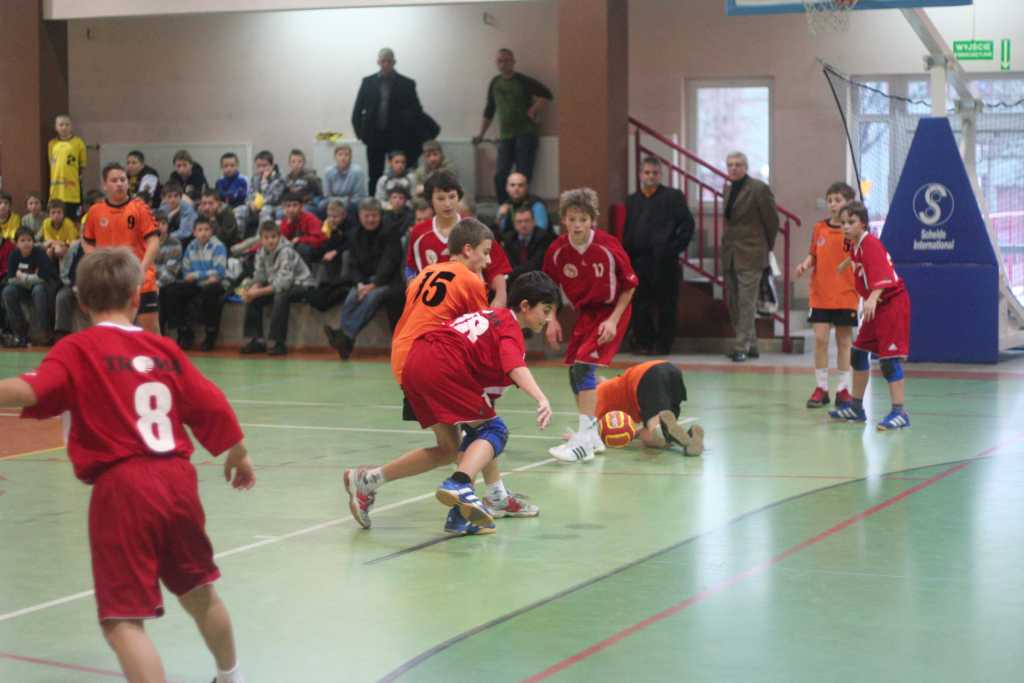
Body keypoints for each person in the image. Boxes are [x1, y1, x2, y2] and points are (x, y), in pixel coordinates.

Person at [0, 247, 253, 683]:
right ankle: (230, 677)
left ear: (81, 302)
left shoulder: (77, 349)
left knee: (122, 620)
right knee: (200, 593)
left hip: (123, 488)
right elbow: (210, 403)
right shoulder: (163, 349)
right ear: (137, 297)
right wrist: (238, 453)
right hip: (178, 482)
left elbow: (31, 391)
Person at [343, 225, 545, 533]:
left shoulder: (426, 273)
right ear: (468, 250)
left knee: (451, 447)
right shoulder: (470, 280)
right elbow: (485, 328)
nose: (488, 261)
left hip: (405, 359)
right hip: (435, 358)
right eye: (485, 252)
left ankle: (368, 480)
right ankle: (488, 500)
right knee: (485, 426)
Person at [400, 275, 556, 534]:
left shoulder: (491, 316)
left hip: (416, 362)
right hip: (442, 365)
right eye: (546, 310)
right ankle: (459, 483)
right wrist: (541, 398)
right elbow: (514, 365)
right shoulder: (510, 328)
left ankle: (459, 515)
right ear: (525, 306)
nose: (548, 318)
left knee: (473, 433)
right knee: (495, 431)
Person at [543, 187, 638, 463]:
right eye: (572, 219)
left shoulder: (608, 245)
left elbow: (630, 285)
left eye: (583, 219)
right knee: (575, 372)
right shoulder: (557, 250)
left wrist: (613, 320)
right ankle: (592, 434)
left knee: (584, 365)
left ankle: (583, 441)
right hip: (586, 314)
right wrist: (551, 319)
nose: (577, 225)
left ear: (592, 220)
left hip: (612, 310)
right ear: (564, 220)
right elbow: (548, 288)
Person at [829, 201, 912, 431]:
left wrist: (872, 298)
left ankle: (900, 413)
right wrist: (845, 263)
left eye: (851, 222)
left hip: (891, 304)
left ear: (863, 224)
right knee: (858, 354)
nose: (846, 226)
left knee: (889, 361)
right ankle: (857, 408)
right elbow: (858, 258)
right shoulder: (856, 244)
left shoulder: (871, 245)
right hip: (876, 306)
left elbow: (884, 277)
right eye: (843, 223)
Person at [405, 171, 513, 307]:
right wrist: (412, 294)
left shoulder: (476, 229)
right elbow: (411, 268)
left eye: (452, 197)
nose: (447, 204)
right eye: (441, 198)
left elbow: (497, 270)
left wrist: (500, 298)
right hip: (434, 309)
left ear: (459, 197)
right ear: (430, 201)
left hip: (472, 306)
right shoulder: (419, 233)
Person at [794, 181, 858, 408]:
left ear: (849, 202)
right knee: (820, 340)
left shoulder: (854, 231)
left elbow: (863, 256)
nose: (833, 204)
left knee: (844, 341)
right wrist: (805, 264)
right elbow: (814, 254)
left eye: (838, 200)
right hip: (820, 293)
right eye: (830, 200)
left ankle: (843, 389)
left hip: (846, 294)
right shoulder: (819, 228)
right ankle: (821, 388)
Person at [624, 157, 695, 355]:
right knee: (639, 304)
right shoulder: (632, 200)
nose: (651, 176)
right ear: (640, 175)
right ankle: (645, 342)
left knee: (666, 305)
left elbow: (687, 225)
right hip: (639, 261)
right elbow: (629, 229)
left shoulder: (673, 197)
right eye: (647, 172)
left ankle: (663, 344)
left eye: (655, 173)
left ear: (660, 175)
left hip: (665, 261)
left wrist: (673, 248)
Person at [83, 163, 162, 335]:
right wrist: (98, 264)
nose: (119, 183)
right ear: (104, 185)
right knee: (112, 332)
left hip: (141, 279)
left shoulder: (140, 208)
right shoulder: (95, 211)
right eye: (114, 180)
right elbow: (87, 241)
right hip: (110, 281)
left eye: (123, 179)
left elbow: (154, 241)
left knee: (150, 332)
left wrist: (141, 271)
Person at [322, 198, 402, 360]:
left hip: (388, 280)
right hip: (364, 280)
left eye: (374, 215)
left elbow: (390, 262)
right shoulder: (354, 234)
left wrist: (374, 284)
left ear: (380, 215)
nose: (371, 219)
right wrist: (359, 284)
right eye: (367, 216)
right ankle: (345, 341)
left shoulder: (390, 231)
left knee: (372, 296)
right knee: (352, 297)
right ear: (360, 216)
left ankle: (345, 336)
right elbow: (353, 265)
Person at [473, 48, 553, 203]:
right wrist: (481, 135)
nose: (503, 64)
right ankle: (504, 207)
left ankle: (522, 208)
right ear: (496, 63)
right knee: (500, 175)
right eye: (500, 61)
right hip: (506, 136)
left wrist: (533, 110)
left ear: (513, 62)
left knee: (523, 175)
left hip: (526, 134)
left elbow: (547, 94)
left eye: (506, 60)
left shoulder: (522, 80)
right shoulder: (495, 83)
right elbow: (490, 110)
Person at [721, 151, 779, 362]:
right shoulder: (728, 188)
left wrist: (765, 247)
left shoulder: (759, 188)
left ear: (746, 167)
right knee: (734, 302)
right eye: (730, 164)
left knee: (746, 302)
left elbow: (772, 221)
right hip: (731, 253)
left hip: (752, 252)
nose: (733, 168)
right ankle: (752, 344)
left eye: (738, 164)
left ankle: (741, 346)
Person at [351, 48, 431, 193]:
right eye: (383, 61)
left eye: (389, 61)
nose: (386, 64)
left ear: (394, 62)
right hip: (374, 137)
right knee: (374, 174)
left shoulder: (407, 83)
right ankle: (374, 203)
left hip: (398, 138)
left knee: (400, 174)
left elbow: (416, 110)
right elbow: (357, 111)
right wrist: (361, 135)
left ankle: (401, 202)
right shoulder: (367, 82)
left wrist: (406, 123)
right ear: (378, 62)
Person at [239, 221, 316, 356]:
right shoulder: (261, 252)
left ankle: (279, 343)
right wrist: (252, 290)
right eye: (266, 237)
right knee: (253, 297)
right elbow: (260, 275)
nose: (270, 241)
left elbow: (284, 283)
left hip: (302, 284)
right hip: (278, 283)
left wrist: (258, 292)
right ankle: (257, 341)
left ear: (279, 236)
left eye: (273, 237)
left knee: (281, 295)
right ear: (261, 239)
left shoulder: (286, 251)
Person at [594, 360, 704, 454]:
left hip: (646, 375)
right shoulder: (615, 386)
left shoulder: (598, 393)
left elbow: (592, 429)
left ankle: (658, 429)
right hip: (671, 370)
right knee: (666, 429)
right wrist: (634, 433)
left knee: (649, 436)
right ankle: (690, 438)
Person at [162, 216, 228, 352]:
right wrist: (201, 276)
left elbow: (219, 272)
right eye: (200, 230)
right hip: (197, 283)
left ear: (211, 231)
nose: (203, 233)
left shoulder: (219, 246)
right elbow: (186, 271)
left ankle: (210, 334)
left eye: (207, 229)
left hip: (216, 284)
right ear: (194, 232)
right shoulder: (191, 246)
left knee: (211, 291)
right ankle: (184, 331)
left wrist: (197, 275)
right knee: (171, 291)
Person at [3, 227, 59, 346]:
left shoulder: (39, 253)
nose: (26, 243)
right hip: (23, 287)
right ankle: (20, 333)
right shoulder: (14, 255)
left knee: (38, 290)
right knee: (7, 291)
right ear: (16, 243)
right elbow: (11, 279)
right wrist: (33, 278)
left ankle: (44, 331)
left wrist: (23, 277)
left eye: (29, 240)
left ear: (33, 242)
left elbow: (43, 277)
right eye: (22, 240)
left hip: (41, 286)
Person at [47, 114, 87, 220]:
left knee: (75, 220)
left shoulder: (78, 143)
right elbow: (51, 164)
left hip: (73, 191)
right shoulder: (52, 144)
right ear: (56, 127)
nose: (64, 127)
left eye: (67, 124)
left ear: (71, 126)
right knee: (57, 220)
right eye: (61, 125)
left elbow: (82, 166)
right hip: (56, 191)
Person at [236, 150, 286, 234]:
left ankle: (260, 238)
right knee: (239, 210)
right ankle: (238, 237)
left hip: (272, 207)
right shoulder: (255, 178)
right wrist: (250, 203)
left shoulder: (279, 179)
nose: (261, 169)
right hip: (255, 207)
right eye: (259, 166)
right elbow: (249, 194)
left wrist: (264, 182)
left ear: (272, 165)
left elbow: (273, 199)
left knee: (265, 210)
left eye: (265, 165)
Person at [504, 204, 553, 284]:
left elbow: (536, 264)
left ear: (534, 222)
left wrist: (512, 273)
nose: (523, 225)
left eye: (527, 221)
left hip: (537, 281)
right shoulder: (509, 238)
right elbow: (507, 263)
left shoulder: (544, 237)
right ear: (514, 224)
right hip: (514, 281)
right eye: (519, 222)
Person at [495, 172, 549, 236]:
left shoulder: (537, 205)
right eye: (512, 185)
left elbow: (540, 232)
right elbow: (498, 233)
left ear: (526, 187)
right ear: (507, 188)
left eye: (520, 185)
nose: (516, 188)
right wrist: (499, 218)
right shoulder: (505, 206)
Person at [321, 144, 368, 215]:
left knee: (351, 207)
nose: (343, 158)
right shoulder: (328, 172)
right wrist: (345, 199)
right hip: (334, 202)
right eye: (340, 155)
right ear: (335, 157)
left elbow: (358, 197)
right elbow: (327, 195)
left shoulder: (358, 171)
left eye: (346, 155)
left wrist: (340, 201)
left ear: (350, 157)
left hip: (352, 203)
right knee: (322, 205)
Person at [279, 192, 327, 264]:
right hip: (298, 246)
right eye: (288, 206)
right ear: (284, 208)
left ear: (301, 206)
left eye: (295, 205)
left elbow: (320, 239)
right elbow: (283, 238)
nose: (291, 209)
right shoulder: (285, 220)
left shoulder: (310, 219)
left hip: (315, 248)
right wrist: (289, 224)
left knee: (301, 247)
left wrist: (300, 239)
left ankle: (305, 270)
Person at [53, 239, 85, 341]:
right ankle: (62, 333)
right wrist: (74, 286)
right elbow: (67, 273)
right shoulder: (75, 248)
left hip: (94, 285)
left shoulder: (102, 245)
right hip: (73, 284)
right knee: (61, 297)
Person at [282, 149, 322, 216]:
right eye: (293, 161)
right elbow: (284, 195)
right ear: (289, 163)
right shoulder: (286, 179)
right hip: (291, 204)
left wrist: (310, 199)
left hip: (307, 204)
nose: (296, 164)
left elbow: (320, 194)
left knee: (301, 211)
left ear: (304, 163)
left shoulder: (311, 177)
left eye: (299, 161)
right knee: (280, 212)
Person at [161, 181, 198, 247]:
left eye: (176, 196)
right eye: (169, 196)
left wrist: (165, 237)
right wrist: (170, 216)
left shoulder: (187, 209)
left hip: (187, 240)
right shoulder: (164, 206)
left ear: (180, 197)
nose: (173, 199)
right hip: (170, 237)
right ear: (164, 198)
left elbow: (184, 233)